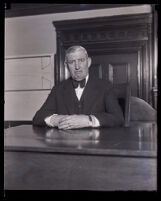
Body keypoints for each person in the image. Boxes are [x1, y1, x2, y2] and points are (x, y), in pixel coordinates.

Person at [33, 46, 124, 129]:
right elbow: (38, 117)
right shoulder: (58, 89)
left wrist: (89, 120)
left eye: (81, 60)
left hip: (95, 145)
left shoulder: (105, 86)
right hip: (65, 144)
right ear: (66, 65)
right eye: (72, 62)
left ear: (88, 62)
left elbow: (118, 118)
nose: (77, 67)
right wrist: (57, 120)